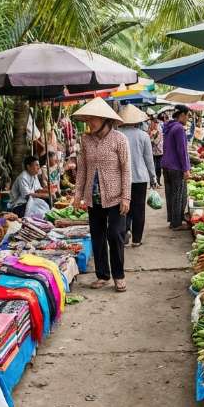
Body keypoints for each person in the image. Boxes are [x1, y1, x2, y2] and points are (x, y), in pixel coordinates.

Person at [71, 98, 131, 292]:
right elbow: (82, 169)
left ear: (105, 119)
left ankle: (119, 276)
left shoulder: (119, 139)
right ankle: (103, 275)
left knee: (115, 235)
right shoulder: (86, 140)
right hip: (93, 197)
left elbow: (126, 170)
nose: (90, 123)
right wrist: (77, 195)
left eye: (93, 119)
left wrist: (126, 197)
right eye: (87, 119)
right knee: (97, 237)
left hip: (115, 197)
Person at [117, 104, 157, 247]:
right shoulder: (143, 136)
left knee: (123, 207)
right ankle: (137, 239)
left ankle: (125, 231)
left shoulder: (116, 135)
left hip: (121, 178)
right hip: (140, 178)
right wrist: (153, 177)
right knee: (139, 208)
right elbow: (149, 159)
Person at [161, 105, 191, 230]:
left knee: (170, 194)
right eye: (188, 115)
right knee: (179, 195)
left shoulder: (169, 126)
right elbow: (182, 150)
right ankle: (177, 223)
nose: (188, 118)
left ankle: (173, 220)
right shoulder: (179, 128)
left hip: (166, 165)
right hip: (176, 167)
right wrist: (186, 168)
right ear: (182, 115)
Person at [149, 114, 164, 187]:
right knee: (153, 167)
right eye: (153, 123)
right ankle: (153, 182)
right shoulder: (149, 131)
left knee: (158, 167)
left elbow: (156, 141)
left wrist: (152, 136)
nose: (154, 125)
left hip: (160, 152)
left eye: (155, 123)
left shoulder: (159, 131)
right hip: (152, 152)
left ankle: (158, 180)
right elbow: (148, 141)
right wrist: (151, 136)